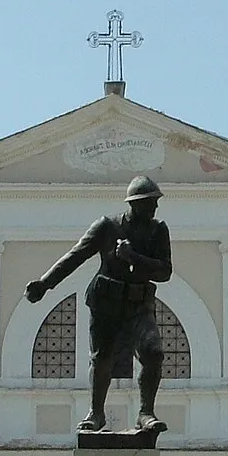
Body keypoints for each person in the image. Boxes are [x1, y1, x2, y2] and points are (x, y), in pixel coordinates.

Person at [26, 175, 173, 433]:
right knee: (101, 358)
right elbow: (75, 256)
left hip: (139, 304)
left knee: (153, 353)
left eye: (155, 202)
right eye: (150, 202)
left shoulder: (158, 230)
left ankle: (145, 413)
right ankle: (96, 414)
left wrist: (133, 257)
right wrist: (44, 283)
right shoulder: (107, 227)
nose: (155, 208)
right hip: (106, 303)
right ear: (135, 204)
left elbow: (164, 272)